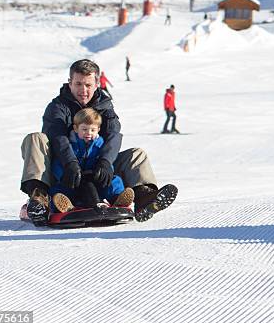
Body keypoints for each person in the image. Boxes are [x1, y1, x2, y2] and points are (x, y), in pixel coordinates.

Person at [20, 59, 177, 226]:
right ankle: (40, 199)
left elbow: (113, 135)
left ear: (96, 84)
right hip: (64, 171)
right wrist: (70, 162)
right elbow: (57, 136)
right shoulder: (58, 107)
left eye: (88, 85)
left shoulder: (105, 106)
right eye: (78, 84)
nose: (83, 90)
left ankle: (145, 197)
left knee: (136, 155)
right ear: (70, 83)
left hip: (97, 169)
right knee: (35, 138)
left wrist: (105, 162)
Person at [49, 108, 134, 213]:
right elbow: (58, 163)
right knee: (58, 189)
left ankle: (118, 199)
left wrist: (105, 171)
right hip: (75, 181)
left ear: (98, 129)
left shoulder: (100, 145)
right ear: (75, 128)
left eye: (92, 130)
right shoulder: (70, 146)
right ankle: (64, 205)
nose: (88, 133)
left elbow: (107, 163)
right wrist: (64, 174)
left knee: (115, 181)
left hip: (95, 180)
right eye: (84, 129)